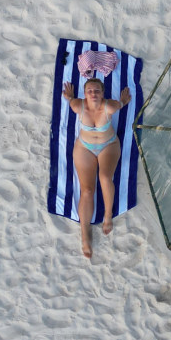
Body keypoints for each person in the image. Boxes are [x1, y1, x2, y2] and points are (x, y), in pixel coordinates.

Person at [62, 78, 132, 258]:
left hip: (108, 145)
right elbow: (70, 100)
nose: (93, 94)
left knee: (105, 178)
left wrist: (124, 100)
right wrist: (70, 96)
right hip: (84, 147)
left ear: (103, 93)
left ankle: (108, 215)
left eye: (97, 91)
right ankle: (85, 235)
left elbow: (122, 104)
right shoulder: (78, 106)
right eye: (89, 91)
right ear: (84, 94)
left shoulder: (109, 107)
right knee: (87, 190)